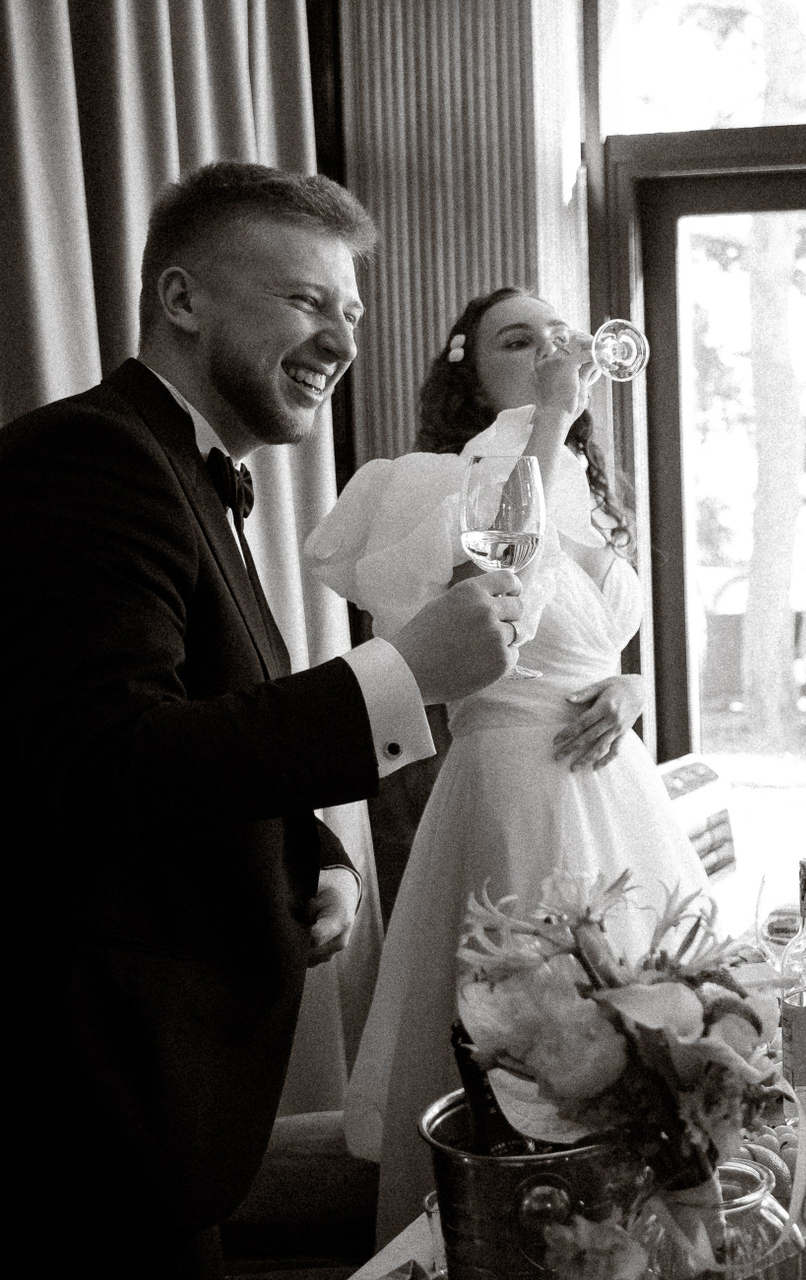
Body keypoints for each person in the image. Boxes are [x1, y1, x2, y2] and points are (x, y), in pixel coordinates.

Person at [0, 163, 524, 1280]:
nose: (340, 340)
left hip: (117, 1123)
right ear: (181, 299)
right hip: (39, 1131)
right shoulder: (87, 462)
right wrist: (402, 674)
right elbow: (107, 759)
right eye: (306, 300)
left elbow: (189, 726)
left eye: (352, 312)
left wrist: (312, 854)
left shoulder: (182, 469)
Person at [304, 286, 709, 1241]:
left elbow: (588, 643)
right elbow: (499, 594)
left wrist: (630, 688)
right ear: (470, 376)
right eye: (517, 341)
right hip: (515, 791)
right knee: (540, 1051)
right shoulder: (430, 485)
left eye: (554, 337)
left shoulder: (582, 490)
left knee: (655, 1036)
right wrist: (553, 418)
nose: (548, 353)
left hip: (617, 789)